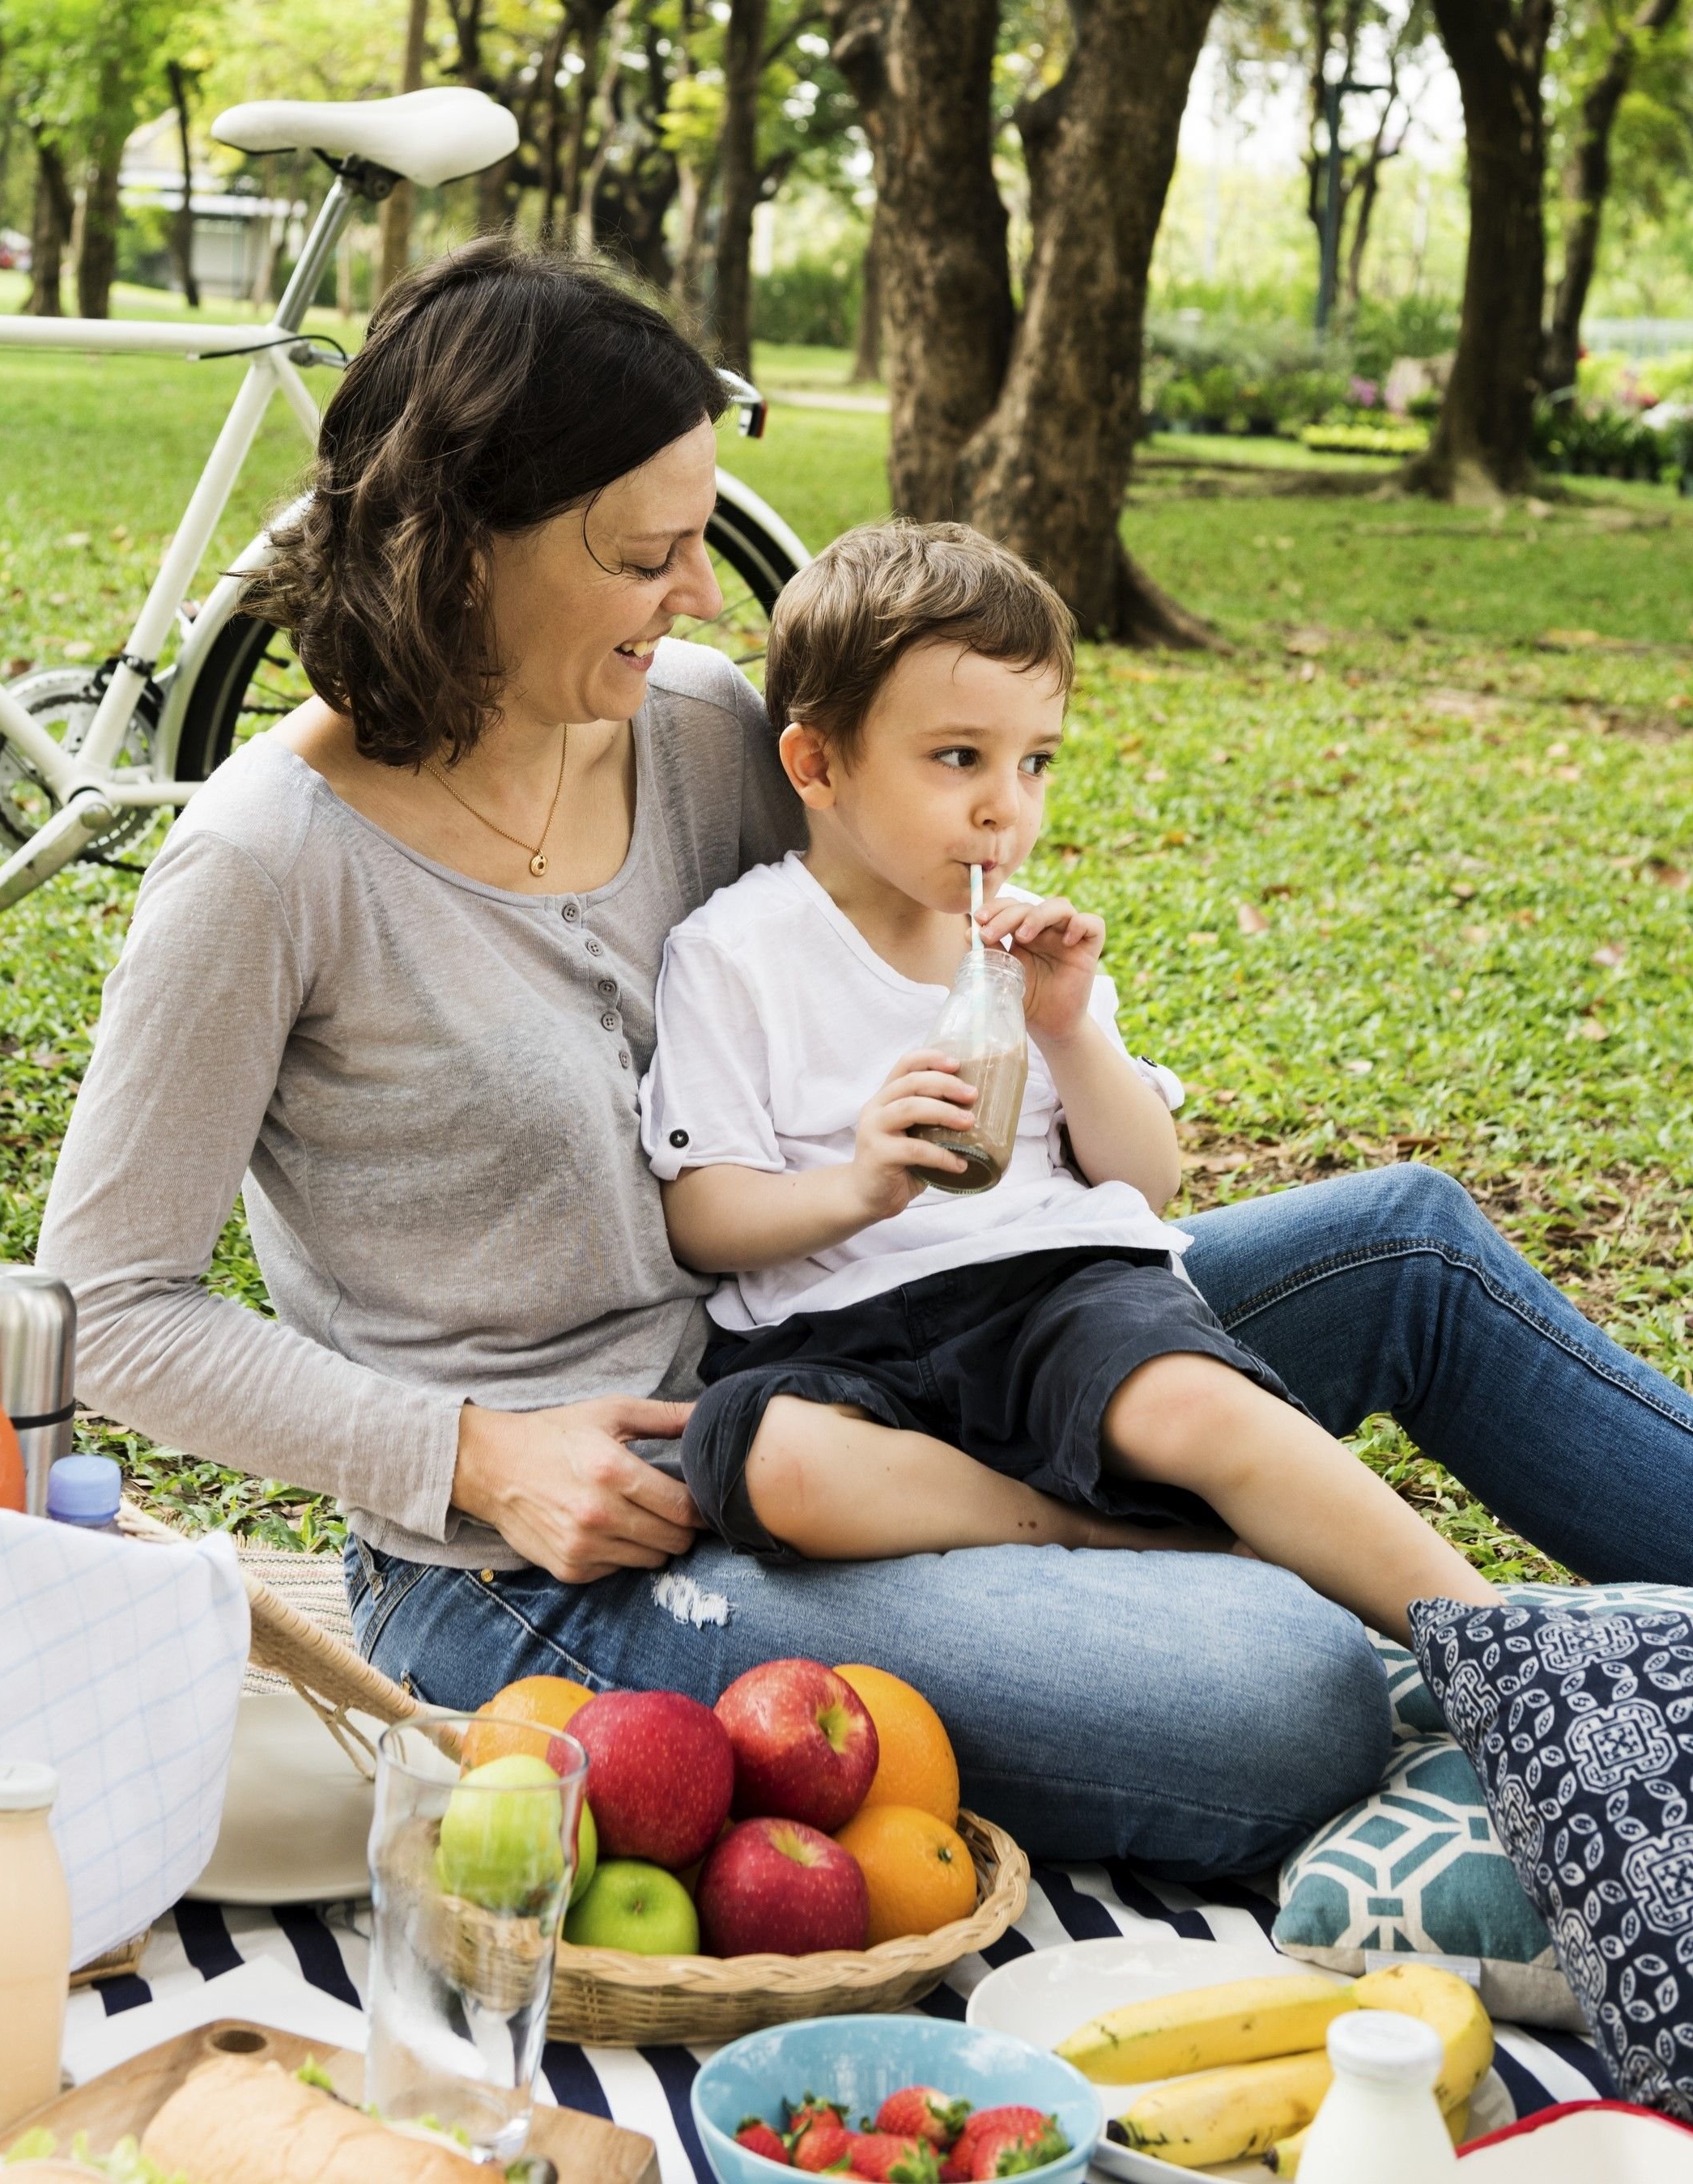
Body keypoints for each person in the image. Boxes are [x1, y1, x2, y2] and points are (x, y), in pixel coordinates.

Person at [36, 236, 1693, 1879]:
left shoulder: (696, 725)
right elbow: (105, 1304)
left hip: (880, 1344)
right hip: (580, 1539)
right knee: (1277, 1700)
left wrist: (1038, 1018)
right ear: (459, 543)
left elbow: (904, 909)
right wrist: (475, 1454)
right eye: (644, 557)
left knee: (1403, 1249)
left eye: (694, 540)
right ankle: (1261, 1596)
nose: (694, 595)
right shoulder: (266, 864)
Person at [641, 521, 1497, 1646]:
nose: (1007, 806)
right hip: (833, 1334)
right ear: (817, 764)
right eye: (959, 758)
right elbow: (702, 1214)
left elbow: (1143, 1179)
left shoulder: (1022, 949)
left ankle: (1497, 1641)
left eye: (1033, 759)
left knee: (1194, 1400)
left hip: (1050, 1292)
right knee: (761, 1457)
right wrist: (855, 1186)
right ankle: (1104, 1529)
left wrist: (1068, 1032)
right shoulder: (737, 951)